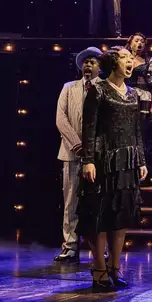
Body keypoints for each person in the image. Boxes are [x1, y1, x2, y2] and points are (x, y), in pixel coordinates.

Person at [77, 47, 148, 291]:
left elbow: (137, 130)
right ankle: (98, 269)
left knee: (120, 216)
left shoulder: (132, 94)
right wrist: (88, 160)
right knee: (99, 216)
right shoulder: (98, 90)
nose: (130, 62)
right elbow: (89, 127)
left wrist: (141, 160)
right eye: (125, 58)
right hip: (101, 160)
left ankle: (115, 268)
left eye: (131, 59)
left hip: (126, 161)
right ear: (113, 62)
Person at [54, 47, 102, 263]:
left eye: (92, 62)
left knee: (99, 202)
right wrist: (76, 145)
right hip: (72, 153)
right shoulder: (69, 88)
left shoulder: (105, 88)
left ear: (100, 66)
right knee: (71, 201)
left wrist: (93, 148)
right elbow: (61, 119)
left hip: (98, 155)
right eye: (85, 62)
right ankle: (70, 246)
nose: (88, 65)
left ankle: (100, 248)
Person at [125, 32, 152, 118]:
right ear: (130, 44)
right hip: (127, 94)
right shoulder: (124, 59)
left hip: (143, 97)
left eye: (142, 41)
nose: (139, 43)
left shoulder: (150, 61)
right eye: (136, 41)